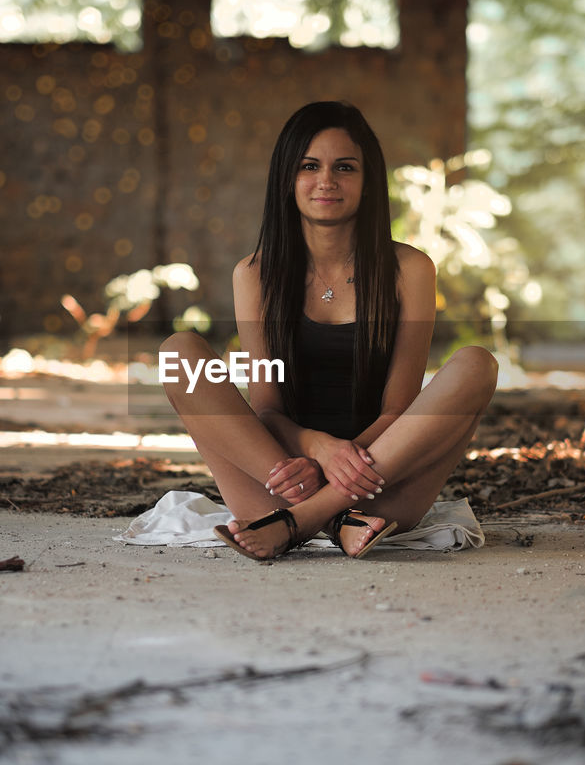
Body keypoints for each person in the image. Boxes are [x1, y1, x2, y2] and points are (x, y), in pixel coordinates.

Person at [160, 101, 497, 560]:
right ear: (287, 178)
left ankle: (303, 523)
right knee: (180, 352)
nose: (327, 181)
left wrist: (342, 466)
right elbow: (268, 410)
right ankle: (323, 517)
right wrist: (318, 452)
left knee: (477, 363)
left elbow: (398, 408)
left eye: (345, 167)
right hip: (280, 482)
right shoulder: (255, 275)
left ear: (368, 180)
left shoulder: (409, 269)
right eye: (309, 166)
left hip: (379, 489)